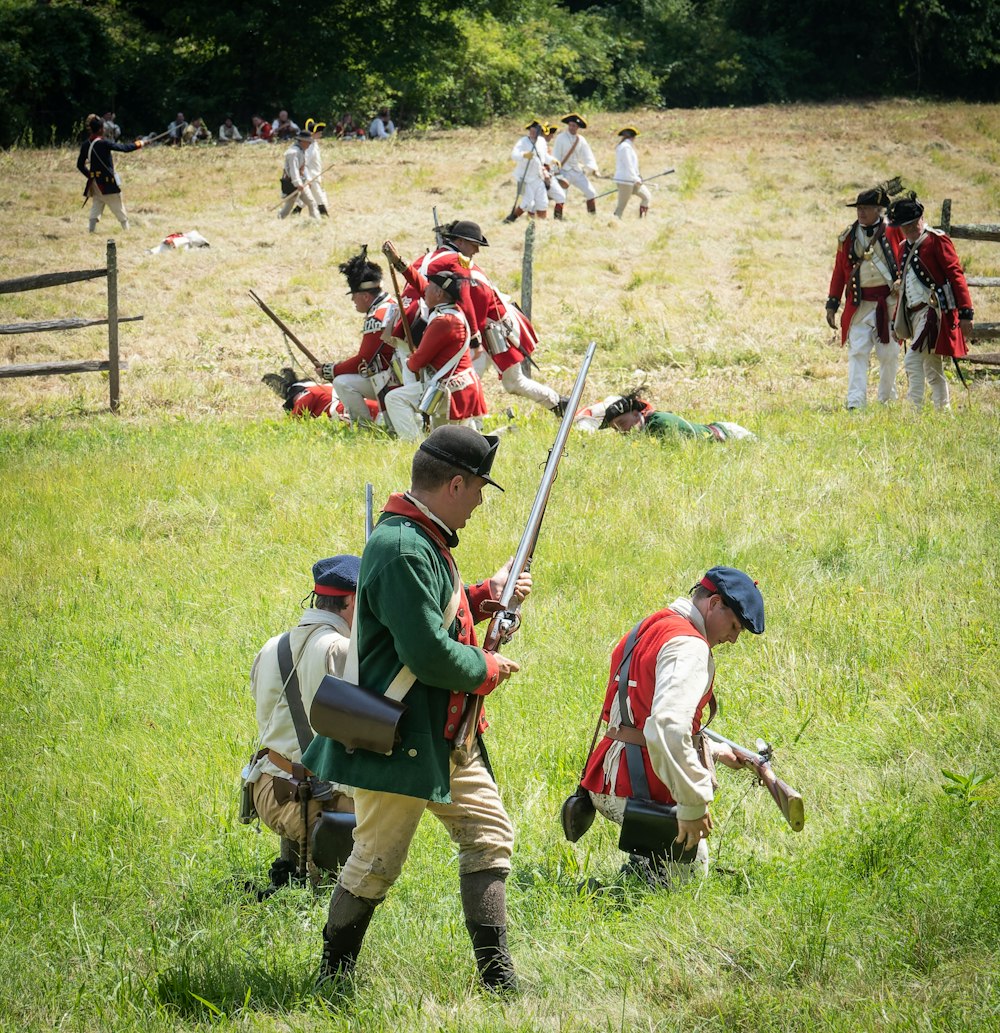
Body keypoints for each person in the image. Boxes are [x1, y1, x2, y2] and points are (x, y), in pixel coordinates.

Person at [302, 427, 530, 992]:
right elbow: (427, 653)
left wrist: (483, 595)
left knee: (490, 837)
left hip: (444, 733)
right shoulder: (405, 546)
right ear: (455, 483)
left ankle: (498, 982)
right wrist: (489, 669)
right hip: (402, 735)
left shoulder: (421, 538)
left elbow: (431, 614)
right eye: (478, 488)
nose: (479, 501)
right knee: (375, 863)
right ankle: (333, 979)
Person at [580, 567, 765, 887]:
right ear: (715, 603)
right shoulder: (689, 647)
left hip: (606, 777)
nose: (733, 639)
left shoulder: (654, 624)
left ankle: (636, 875)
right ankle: (622, 895)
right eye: (734, 625)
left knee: (659, 873)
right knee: (688, 887)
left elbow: (645, 714)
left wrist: (717, 752)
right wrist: (692, 804)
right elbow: (666, 727)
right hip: (636, 787)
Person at [244, 555, 360, 894]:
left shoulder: (272, 646)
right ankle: (322, 892)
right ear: (351, 602)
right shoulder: (340, 649)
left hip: (268, 789)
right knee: (388, 810)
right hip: (314, 803)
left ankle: (296, 875)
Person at [384, 220, 568, 415]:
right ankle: (472, 428)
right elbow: (455, 297)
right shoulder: (453, 261)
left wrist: (474, 340)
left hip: (493, 326)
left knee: (510, 383)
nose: (477, 251)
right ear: (461, 242)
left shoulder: (435, 259)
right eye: (474, 245)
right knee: (467, 383)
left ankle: (559, 404)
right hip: (473, 328)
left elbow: (467, 300)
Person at [889, 195, 974, 411]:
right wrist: (895, 322)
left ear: (921, 218)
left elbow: (956, 276)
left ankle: (914, 411)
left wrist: (966, 313)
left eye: (910, 224)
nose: (907, 229)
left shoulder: (937, 240)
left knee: (912, 361)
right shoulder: (902, 247)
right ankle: (943, 410)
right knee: (932, 366)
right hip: (914, 313)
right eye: (903, 226)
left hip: (933, 312)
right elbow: (905, 287)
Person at [825, 187, 904, 409]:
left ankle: (886, 401)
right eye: (859, 208)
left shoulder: (894, 231)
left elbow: (906, 258)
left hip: (888, 303)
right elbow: (839, 272)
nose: (861, 212)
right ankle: (855, 402)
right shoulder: (848, 236)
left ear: (878, 210)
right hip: (860, 304)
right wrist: (832, 303)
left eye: (866, 208)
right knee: (858, 352)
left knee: (889, 354)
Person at [383, 271, 488, 440]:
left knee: (394, 398)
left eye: (430, 287)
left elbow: (418, 361)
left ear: (439, 293)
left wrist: (410, 362)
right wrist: (401, 265)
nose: (424, 291)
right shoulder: (453, 312)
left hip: (450, 390)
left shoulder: (443, 321)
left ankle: (414, 446)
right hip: (461, 386)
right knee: (452, 442)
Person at [321, 248, 400, 428]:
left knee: (342, 382)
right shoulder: (389, 305)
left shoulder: (377, 316)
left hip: (391, 379)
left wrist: (332, 371)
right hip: (395, 375)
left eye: (354, 296)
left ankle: (363, 427)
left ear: (365, 295)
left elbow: (365, 359)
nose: (353, 301)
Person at [578, 391, 756, 441]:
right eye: (616, 429)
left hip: (732, 436)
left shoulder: (660, 422)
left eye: (622, 423)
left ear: (635, 414)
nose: (621, 430)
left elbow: (690, 445)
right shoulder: (644, 430)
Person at [76, 113, 144, 233]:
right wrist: (140, 143)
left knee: (97, 203)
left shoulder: (86, 145)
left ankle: (91, 231)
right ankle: (127, 232)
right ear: (101, 129)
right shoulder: (104, 143)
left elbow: (80, 165)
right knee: (117, 205)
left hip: (95, 182)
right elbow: (124, 148)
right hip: (106, 182)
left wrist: (91, 176)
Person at [261, 368, 382, 422]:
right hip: (378, 407)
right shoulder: (324, 388)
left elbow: (290, 424)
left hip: (364, 414)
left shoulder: (307, 395)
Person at [550, 113, 599, 217]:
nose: (572, 127)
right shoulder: (560, 138)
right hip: (563, 171)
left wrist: (593, 168)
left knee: (591, 192)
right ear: (568, 125)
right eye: (571, 125)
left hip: (577, 171)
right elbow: (555, 157)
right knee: (561, 196)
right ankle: (557, 219)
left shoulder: (581, 140)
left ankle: (592, 217)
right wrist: (556, 174)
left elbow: (587, 155)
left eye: (575, 126)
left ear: (578, 127)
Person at [505, 119, 549, 222]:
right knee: (527, 203)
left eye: (535, 131)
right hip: (524, 177)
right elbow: (514, 155)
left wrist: (553, 160)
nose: (533, 133)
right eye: (531, 131)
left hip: (538, 176)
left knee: (543, 202)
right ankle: (512, 218)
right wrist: (524, 154)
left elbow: (544, 157)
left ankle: (542, 224)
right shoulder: (523, 141)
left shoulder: (542, 142)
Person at [278, 130, 319, 219]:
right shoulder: (293, 153)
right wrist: (298, 183)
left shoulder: (301, 151)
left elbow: (303, 168)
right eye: (308, 142)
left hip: (301, 182)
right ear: (302, 141)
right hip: (292, 182)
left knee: (311, 203)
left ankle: (316, 222)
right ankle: (280, 218)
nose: (309, 145)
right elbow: (294, 170)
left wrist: (307, 180)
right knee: (289, 205)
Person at [613, 127, 651, 219]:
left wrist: (637, 176)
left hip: (632, 179)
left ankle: (642, 219)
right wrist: (635, 178)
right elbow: (628, 165)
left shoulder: (627, 146)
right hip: (625, 180)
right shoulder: (625, 147)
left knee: (646, 197)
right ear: (632, 137)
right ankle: (614, 222)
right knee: (621, 207)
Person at [297, 119, 329, 217]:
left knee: (309, 196)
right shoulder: (310, 146)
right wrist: (308, 178)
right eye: (318, 132)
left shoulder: (314, 143)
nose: (320, 134)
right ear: (313, 133)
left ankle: (296, 211)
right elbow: (304, 162)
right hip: (311, 175)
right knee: (319, 196)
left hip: (315, 174)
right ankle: (324, 214)